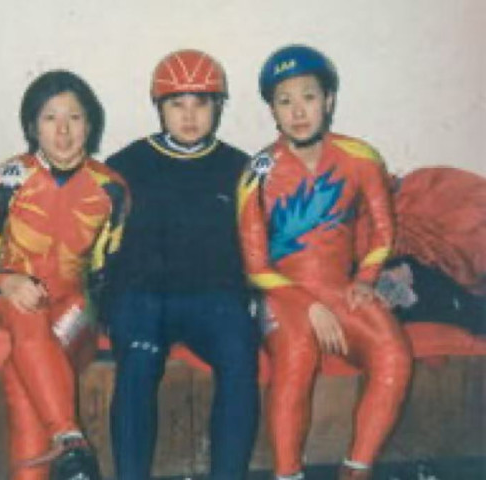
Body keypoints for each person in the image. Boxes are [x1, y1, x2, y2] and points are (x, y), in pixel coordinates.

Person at [238, 44, 413, 480]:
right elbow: (255, 266)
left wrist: (367, 279)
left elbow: (383, 230)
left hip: (342, 288)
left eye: (309, 97)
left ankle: (356, 469)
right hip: (282, 294)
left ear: (329, 100)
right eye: (284, 101)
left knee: (394, 354)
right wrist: (308, 305)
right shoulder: (257, 171)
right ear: (272, 110)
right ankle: (287, 474)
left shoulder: (362, 157)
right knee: (296, 354)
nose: (298, 111)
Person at [0, 70, 129, 480]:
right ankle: (69, 438)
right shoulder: (9, 180)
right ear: (32, 126)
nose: (63, 131)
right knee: (27, 313)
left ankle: (68, 444)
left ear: (90, 124)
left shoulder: (112, 189)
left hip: (71, 317)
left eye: (75, 117)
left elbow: (105, 275)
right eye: (50, 118)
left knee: (25, 383)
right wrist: (8, 282)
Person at [104, 49, 260, 479]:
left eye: (201, 103)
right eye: (177, 104)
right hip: (144, 297)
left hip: (213, 298)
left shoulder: (240, 168)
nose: (189, 116)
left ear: (219, 107)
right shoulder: (126, 165)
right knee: (137, 363)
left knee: (239, 355)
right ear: (159, 108)